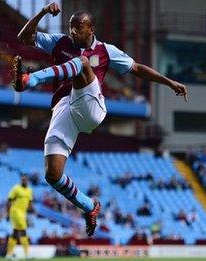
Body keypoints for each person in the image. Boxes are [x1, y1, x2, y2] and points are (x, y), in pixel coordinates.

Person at [14, 3, 188, 237]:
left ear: (91, 30)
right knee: (52, 174)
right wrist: (43, 12)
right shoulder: (60, 42)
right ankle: (89, 206)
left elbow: (136, 67)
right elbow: (24, 37)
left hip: (91, 106)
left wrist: (169, 82)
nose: (73, 31)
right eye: (70, 27)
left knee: (82, 63)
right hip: (63, 109)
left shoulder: (106, 51)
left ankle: (29, 80)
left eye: (79, 27)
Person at [6, 174, 33, 259]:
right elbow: (9, 200)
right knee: (23, 232)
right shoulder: (16, 188)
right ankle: (27, 254)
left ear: (28, 180)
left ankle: (9, 254)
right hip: (15, 212)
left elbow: (30, 202)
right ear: (21, 180)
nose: (24, 181)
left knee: (15, 233)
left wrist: (32, 210)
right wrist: (7, 213)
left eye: (25, 179)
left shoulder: (29, 190)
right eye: (22, 179)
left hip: (23, 213)